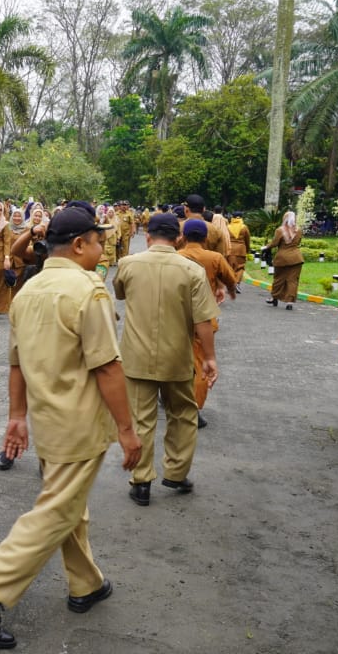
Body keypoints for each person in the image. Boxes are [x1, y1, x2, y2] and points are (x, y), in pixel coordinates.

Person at [0, 207, 142, 650]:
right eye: (99, 240)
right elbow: (108, 367)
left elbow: (16, 364)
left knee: (67, 502)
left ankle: (86, 584)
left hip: (46, 419)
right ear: (79, 244)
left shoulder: (28, 291)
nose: (103, 248)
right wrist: (128, 430)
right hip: (79, 423)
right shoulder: (88, 290)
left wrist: (17, 417)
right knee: (56, 509)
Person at [114, 213, 218, 506]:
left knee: (141, 419)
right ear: (178, 239)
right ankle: (176, 472)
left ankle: (142, 481)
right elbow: (203, 322)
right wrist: (209, 358)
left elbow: (120, 293)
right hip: (177, 355)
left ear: (147, 235)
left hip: (136, 355)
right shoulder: (192, 271)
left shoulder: (127, 264)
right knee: (183, 414)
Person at [177, 218, 237, 422]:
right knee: (201, 364)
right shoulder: (214, 257)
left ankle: (172, 401)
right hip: (203, 318)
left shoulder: (176, 257)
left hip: (177, 318)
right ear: (205, 238)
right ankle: (194, 409)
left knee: (177, 363)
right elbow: (232, 280)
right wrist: (221, 287)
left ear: (183, 237)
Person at [265, 212, 303, 309]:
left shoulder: (280, 230)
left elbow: (275, 243)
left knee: (278, 279)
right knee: (293, 281)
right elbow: (298, 242)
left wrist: (266, 247)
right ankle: (290, 302)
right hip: (296, 258)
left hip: (282, 258)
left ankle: (274, 298)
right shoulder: (298, 230)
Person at [226, 212, 251, 286]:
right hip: (241, 250)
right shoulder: (244, 227)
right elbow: (247, 239)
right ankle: (236, 283)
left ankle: (231, 283)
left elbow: (225, 239)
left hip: (230, 249)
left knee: (230, 267)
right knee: (240, 268)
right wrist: (247, 250)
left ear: (232, 217)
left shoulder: (228, 227)